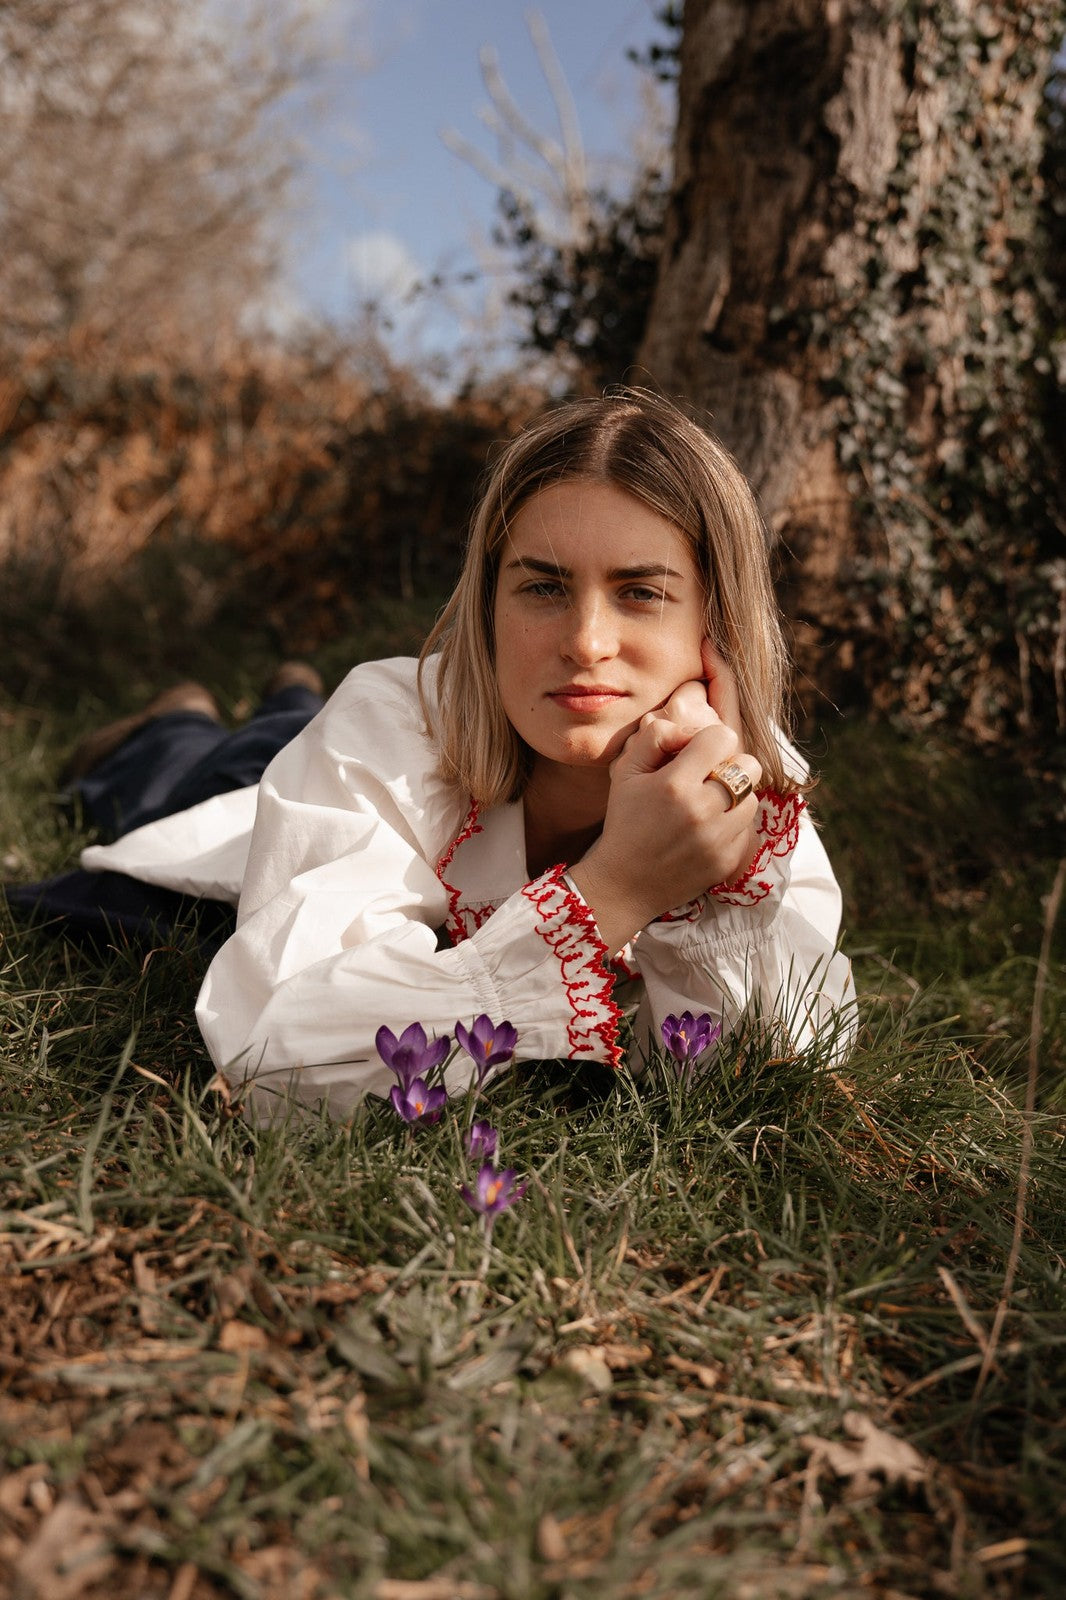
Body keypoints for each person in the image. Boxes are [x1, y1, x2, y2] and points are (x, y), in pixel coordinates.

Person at [21, 389, 855, 1119]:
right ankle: (178, 716)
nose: (586, 642)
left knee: (270, 737)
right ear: (487, 601)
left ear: (715, 623)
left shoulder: (748, 784)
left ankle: (278, 698)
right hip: (311, 790)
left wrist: (709, 885)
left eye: (640, 593)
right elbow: (276, 1062)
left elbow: (775, 1065)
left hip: (331, 761)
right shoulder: (388, 724)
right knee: (190, 778)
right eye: (543, 586)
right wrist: (612, 895)